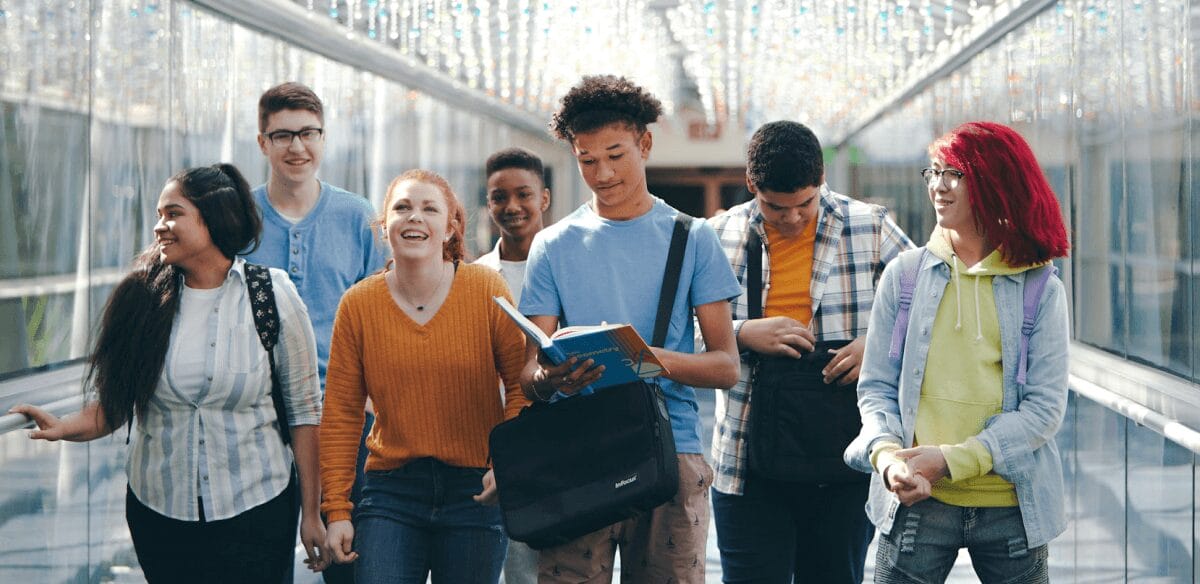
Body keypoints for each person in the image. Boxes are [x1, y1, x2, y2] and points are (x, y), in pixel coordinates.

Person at [9, 164, 327, 583]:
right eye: (159, 214)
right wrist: (63, 426)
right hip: (160, 513)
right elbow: (115, 406)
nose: (160, 226)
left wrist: (312, 513)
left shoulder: (271, 295)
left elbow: (305, 412)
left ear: (214, 218)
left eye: (173, 213)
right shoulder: (142, 298)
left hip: (257, 508)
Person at [519, 74, 741, 583]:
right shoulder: (552, 245)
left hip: (671, 454)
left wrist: (639, 357)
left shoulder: (693, 238)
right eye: (587, 159)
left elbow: (726, 366)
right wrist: (552, 379)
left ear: (645, 144)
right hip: (578, 454)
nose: (603, 173)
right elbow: (529, 373)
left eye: (616, 154)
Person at [845, 121, 1071, 583]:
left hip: (1011, 504)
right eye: (933, 172)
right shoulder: (904, 276)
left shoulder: (1040, 287)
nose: (938, 185)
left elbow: (1045, 410)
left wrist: (949, 460)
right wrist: (888, 458)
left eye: (955, 173)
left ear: (995, 181)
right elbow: (876, 391)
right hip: (917, 500)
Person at [707, 120, 914, 583]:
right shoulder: (717, 235)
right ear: (751, 185)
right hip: (745, 458)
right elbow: (681, 334)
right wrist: (741, 332)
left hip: (841, 454)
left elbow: (932, 308)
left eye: (806, 203)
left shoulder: (870, 225)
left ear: (822, 180)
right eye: (776, 207)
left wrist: (878, 348)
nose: (793, 218)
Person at [319, 169, 529, 583]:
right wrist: (338, 510)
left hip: (475, 489)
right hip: (391, 490)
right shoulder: (358, 304)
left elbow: (521, 385)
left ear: (451, 227)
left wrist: (507, 464)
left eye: (429, 209)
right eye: (402, 207)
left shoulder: (486, 290)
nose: (414, 217)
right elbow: (341, 414)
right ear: (385, 225)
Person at [242, 82, 386, 584]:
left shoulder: (359, 217)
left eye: (308, 133)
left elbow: (381, 315)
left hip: (344, 416)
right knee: (261, 557)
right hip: (256, 417)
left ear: (323, 138)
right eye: (282, 135)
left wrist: (375, 398)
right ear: (262, 142)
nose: (297, 147)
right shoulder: (239, 219)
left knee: (348, 559)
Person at [473, 147, 551, 584]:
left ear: (545, 198)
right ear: (489, 204)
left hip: (562, 439)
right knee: (513, 569)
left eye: (524, 194)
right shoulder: (476, 277)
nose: (512, 207)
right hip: (500, 444)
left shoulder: (566, 263)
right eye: (499, 197)